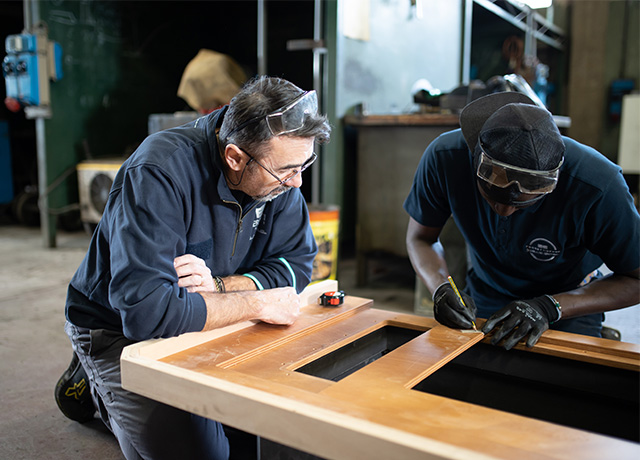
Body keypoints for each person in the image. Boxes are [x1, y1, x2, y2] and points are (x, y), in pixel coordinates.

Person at [55, 76, 331, 460]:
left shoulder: (277, 173)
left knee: (268, 430)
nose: (297, 183)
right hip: (118, 331)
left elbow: (297, 264)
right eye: (286, 171)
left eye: (304, 165)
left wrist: (219, 286)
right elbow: (147, 314)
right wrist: (258, 303)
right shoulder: (159, 171)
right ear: (235, 157)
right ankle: (98, 385)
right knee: (204, 454)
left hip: (208, 315)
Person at [404, 91, 640, 350]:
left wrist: (550, 306)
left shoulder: (597, 185)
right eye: (494, 198)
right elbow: (421, 238)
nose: (504, 212)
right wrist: (439, 287)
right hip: (487, 292)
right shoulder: (445, 157)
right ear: (474, 160)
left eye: (521, 203)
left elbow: (635, 280)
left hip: (568, 301)